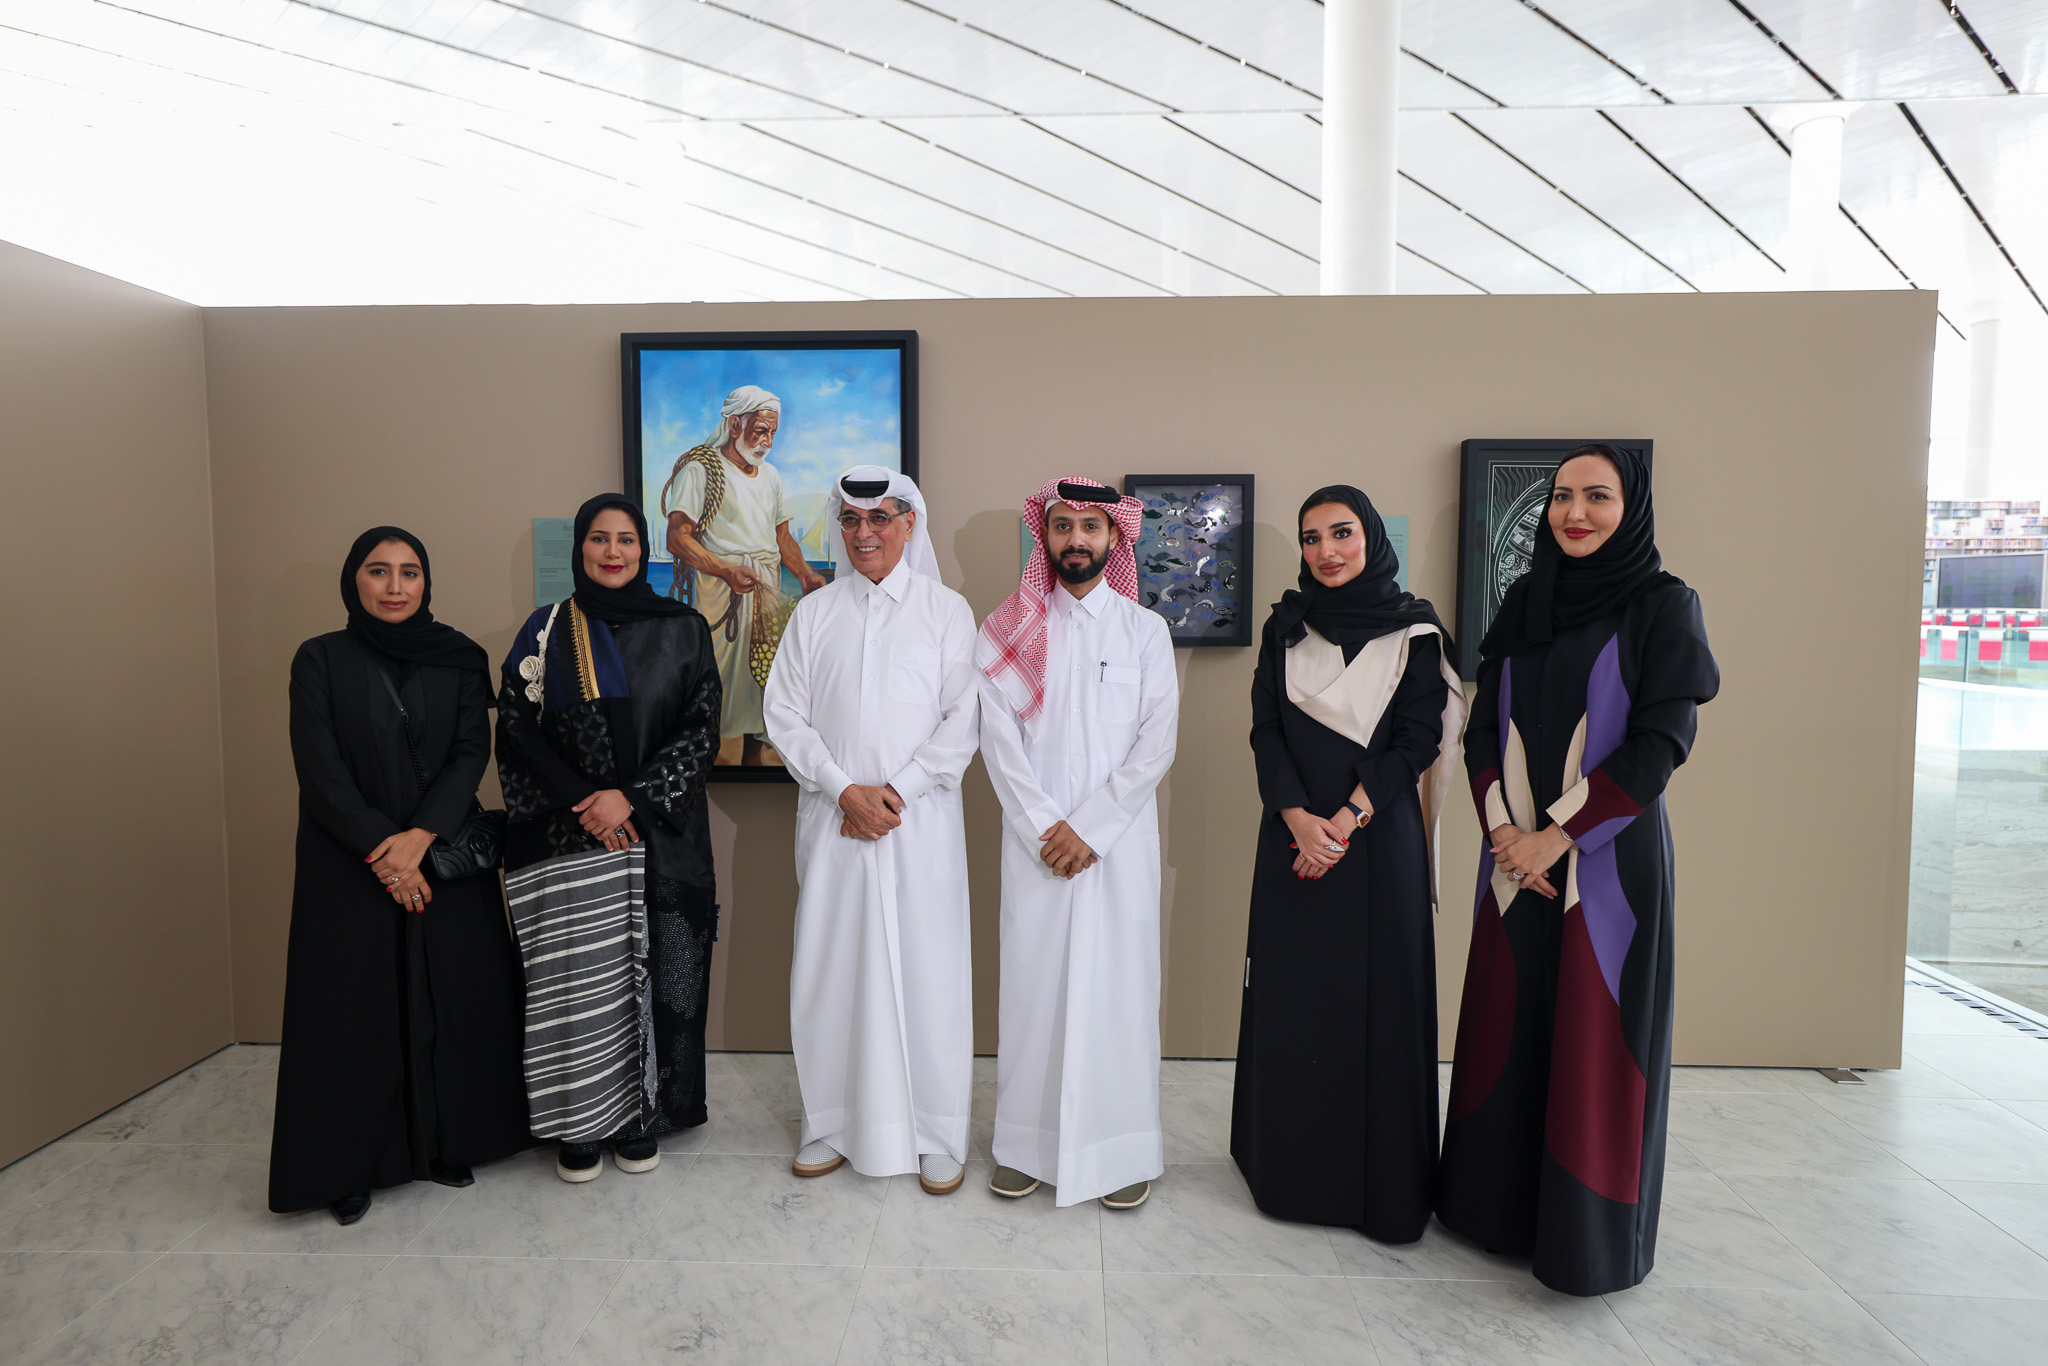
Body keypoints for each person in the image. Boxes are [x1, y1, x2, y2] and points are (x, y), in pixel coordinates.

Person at [1436, 444, 1719, 1296]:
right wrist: (1504, 833)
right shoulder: (1526, 599)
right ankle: (1492, 1215)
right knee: (1508, 1025)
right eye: (1562, 496)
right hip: (1511, 863)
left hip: (1605, 866)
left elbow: (1661, 743)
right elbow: (1480, 732)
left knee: (1595, 1037)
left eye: (1597, 496)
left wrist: (1554, 840)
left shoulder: (1665, 605)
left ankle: (1584, 1243)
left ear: (1631, 508)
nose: (1575, 513)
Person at [270, 528, 530, 1225]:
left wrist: (417, 840)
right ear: (353, 580)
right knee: (354, 1014)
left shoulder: (460, 657)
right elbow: (319, 767)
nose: (394, 586)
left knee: (451, 1001)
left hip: (439, 855)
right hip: (347, 861)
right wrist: (382, 850)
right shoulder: (320, 658)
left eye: (409, 572)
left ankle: (451, 1142)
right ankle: (350, 1167)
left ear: (426, 582)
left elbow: (471, 751)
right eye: (378, 571)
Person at [1229, 488, 1466, 1243]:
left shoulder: (1415, 632)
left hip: (1378, 843)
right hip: (1292, 842)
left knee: (1380, 1006)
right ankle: (1290, 1174)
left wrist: (1345, 820)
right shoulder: (1285, 629)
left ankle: (1380, 1189)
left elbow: (1418, 740)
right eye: (1311, 538)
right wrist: (1298, 819)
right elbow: (1266, 732)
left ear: (1371, 539)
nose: (1326, 551)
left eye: (1342, 533)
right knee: (1297, 1002)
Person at [762, 465, 980, 1195]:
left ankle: (936, 1133)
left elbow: (963, 720)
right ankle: (829, 1123)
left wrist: (894, 793)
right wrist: (843, 790)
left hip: (919, 826)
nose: (864, 534)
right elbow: (784, 715)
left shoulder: (947, 612)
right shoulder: (814, 614)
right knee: (831, 970)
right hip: (834, 824)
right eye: (851, 520)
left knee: (929, 972)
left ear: (909, 524)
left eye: (880, 519)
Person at [495, 495, 722, 1183]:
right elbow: (516, 728)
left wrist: (632, 798)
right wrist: (586, 801)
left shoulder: (684, 628)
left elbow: (701, 728)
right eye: (599, 538)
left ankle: (644, 1118)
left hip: (663, 839)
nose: (613, 552)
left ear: (643, 548)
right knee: (578, 987)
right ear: (580, 548)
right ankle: (579, 1122)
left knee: (664, 981)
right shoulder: (545, 631)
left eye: (626, 539)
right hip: (574, 840)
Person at [977, 477, 1179, 1210]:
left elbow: (1156, 744)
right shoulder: (1006, 630)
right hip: (1037, 848)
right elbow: (997, 742)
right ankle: (1025, 1146)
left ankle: (1119, 1150)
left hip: (1116, 848)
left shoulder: (1145, 632)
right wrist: (1046, 828)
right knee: (1035, 993)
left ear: (1113, 537)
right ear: (1046, 536)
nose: (1076, 540)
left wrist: (1090, 830)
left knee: (1119, 995)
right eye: (1063, 526)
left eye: (1090, 527)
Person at [660, 385, 828, 766]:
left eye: (773, 432)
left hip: (765, 590)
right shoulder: (700, 470)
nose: (767, 441)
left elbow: (781, 538)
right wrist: (725, 570)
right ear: (735, 425)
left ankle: (753, 765)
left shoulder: (771, 477)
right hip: (720, 593)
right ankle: (710, 767)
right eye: (760, 430)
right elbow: (677, 537)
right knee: (717, 682)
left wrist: (805, 574)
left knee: (764, 679)